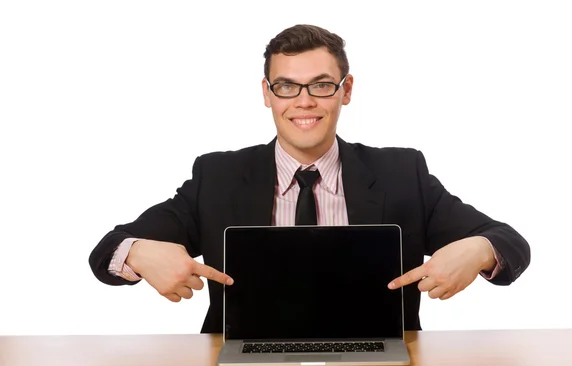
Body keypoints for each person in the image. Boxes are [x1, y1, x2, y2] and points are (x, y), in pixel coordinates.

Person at [88, 24, 530, 333]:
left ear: (347, 90)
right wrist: (141, 253)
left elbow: (510, 243)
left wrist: (478, 250)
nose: (304, 102)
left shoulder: (401, 174)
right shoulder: (217, 177)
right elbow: (107, 251)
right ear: (267, 93)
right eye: (286, 86)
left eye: (321, 85)